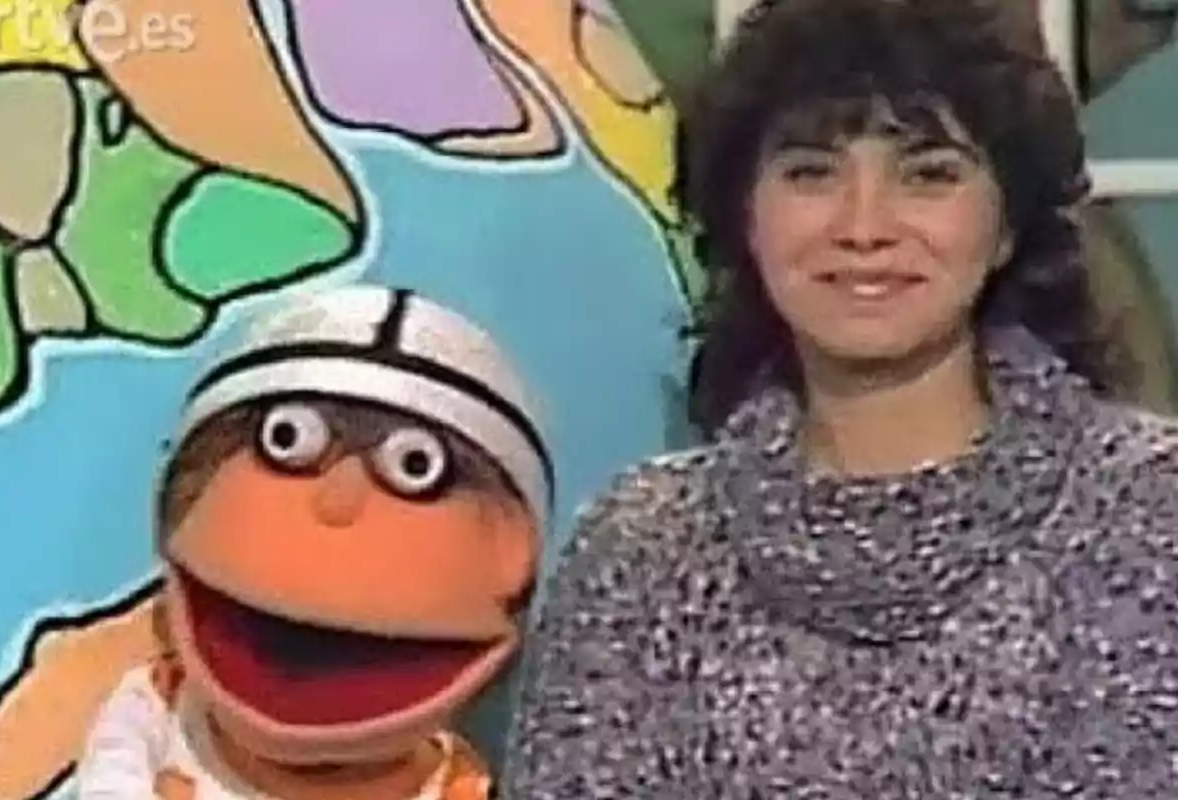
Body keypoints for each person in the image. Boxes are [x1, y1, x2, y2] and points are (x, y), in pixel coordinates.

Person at [500, 0, 1178, 796]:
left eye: (928, 174)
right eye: (811, 173)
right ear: (743, 218)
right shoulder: (639, 551)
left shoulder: (1150, 515)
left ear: (1005, 228)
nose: (863, 227)